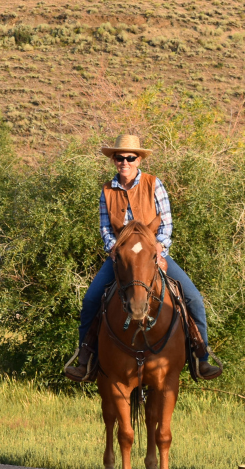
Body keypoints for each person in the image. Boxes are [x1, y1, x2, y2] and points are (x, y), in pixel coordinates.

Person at [63, 134, 221, 381]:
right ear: (113, 160)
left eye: (130, 157)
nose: (124, 162)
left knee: (193, 299)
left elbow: (166, 223)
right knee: (91, 299)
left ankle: (202, 357)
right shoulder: (106, 190)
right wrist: (113, 248)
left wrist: (159, 248)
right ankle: (85, 359)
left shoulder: (154, 184)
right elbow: (105, 228)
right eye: (119, 157)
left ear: (138, 160)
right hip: (121, 258)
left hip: (154, 255)